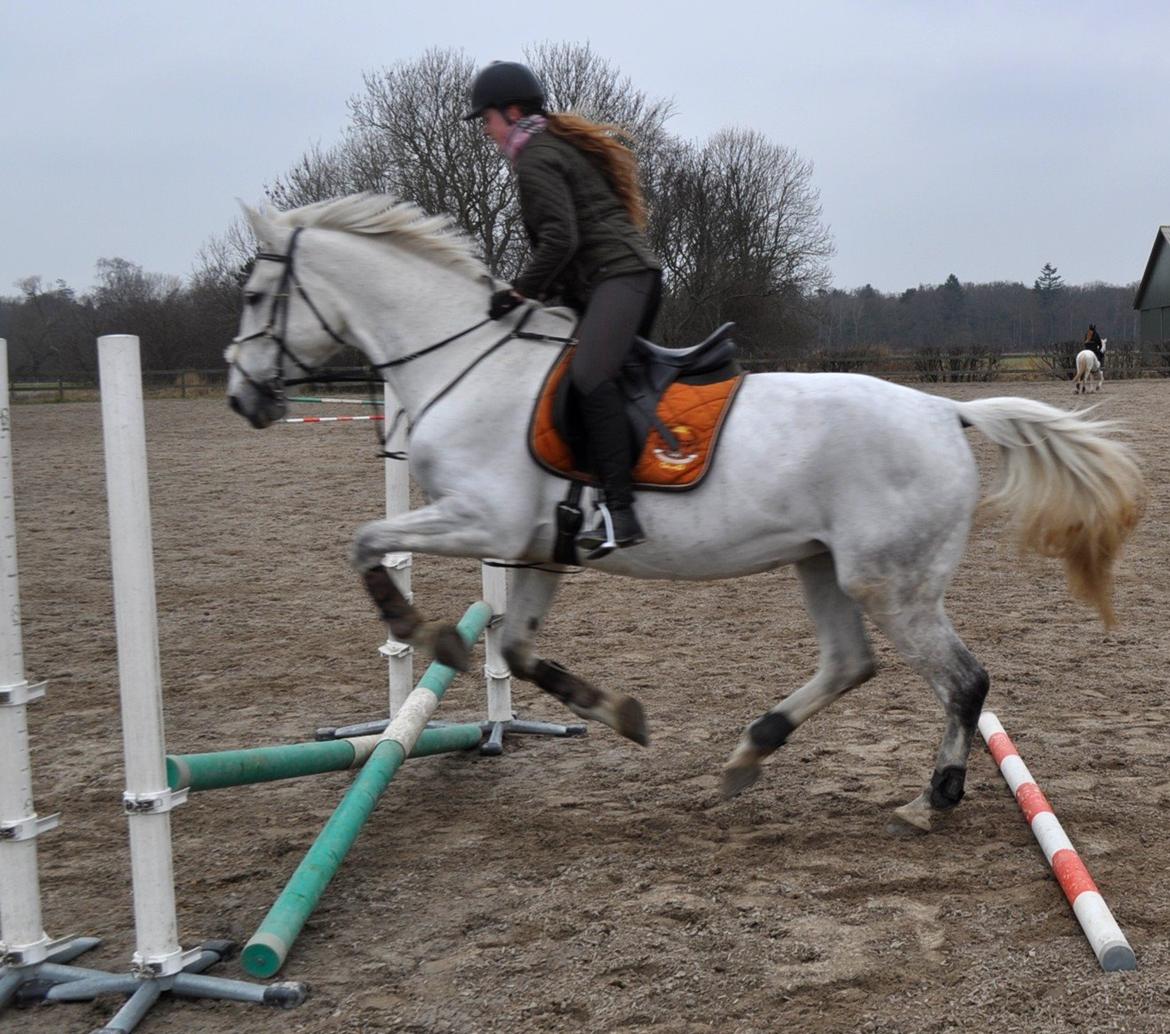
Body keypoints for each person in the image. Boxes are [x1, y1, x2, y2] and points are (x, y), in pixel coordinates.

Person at [465, 60, 662, 559]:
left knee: (592, 377)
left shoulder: (536, 156)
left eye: (486, 119)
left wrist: (518, 293)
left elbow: (560, 240)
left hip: (621, 278)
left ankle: (621, 511)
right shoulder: (552, 147)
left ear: (511, 112)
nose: (486, 132)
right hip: (608, 281)